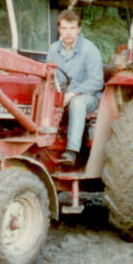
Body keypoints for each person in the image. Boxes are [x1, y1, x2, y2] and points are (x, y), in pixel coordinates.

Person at [46, 9, 104, 165]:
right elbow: (49, 75)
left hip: (89, 97)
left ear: (79, 29)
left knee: (77, 103)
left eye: (72, 28)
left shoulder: (89, 50)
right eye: (64, 28)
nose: (68, 33)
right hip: (61, 93)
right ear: (59, 30)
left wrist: (72, 94)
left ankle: (72, 152)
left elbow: (97, 82)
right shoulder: (53, 49)